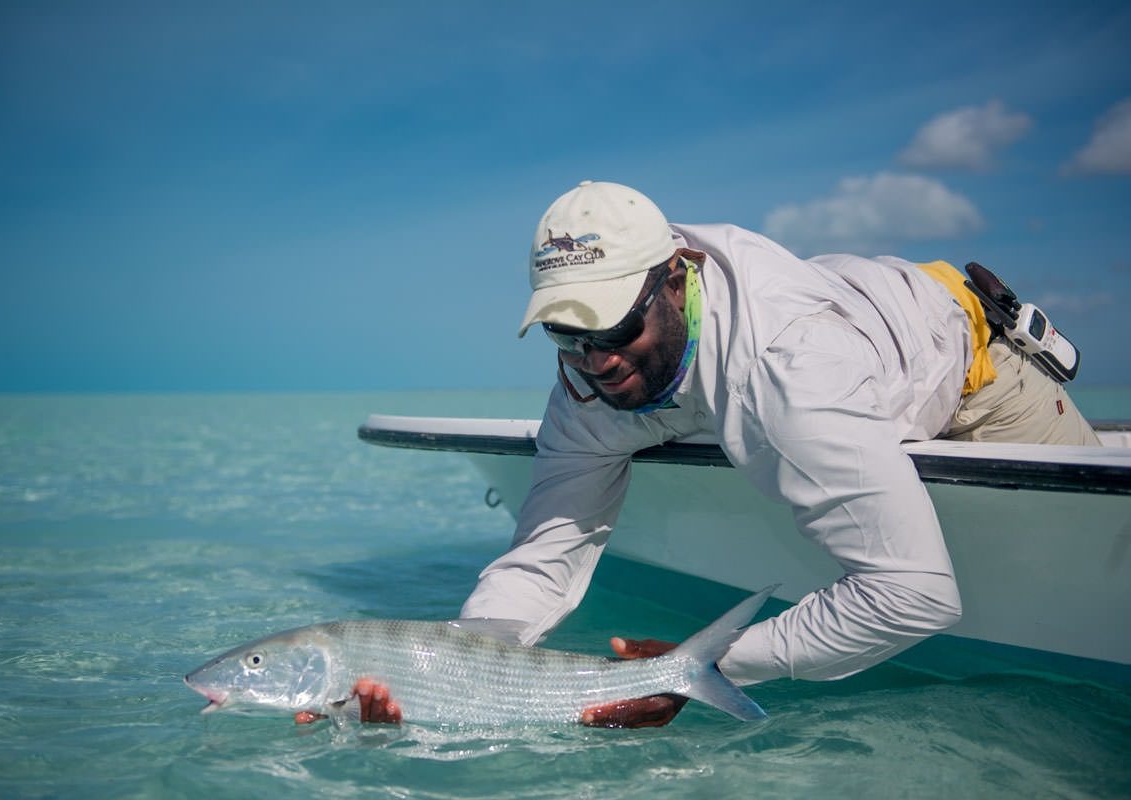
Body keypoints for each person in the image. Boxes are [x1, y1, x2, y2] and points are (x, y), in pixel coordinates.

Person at [349, 180, 1100, 727]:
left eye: (613, 330)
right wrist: (449, 676)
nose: (596, 362)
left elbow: (913, 595)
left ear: (676, 279)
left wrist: (703, 664)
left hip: (974, 371)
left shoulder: (787, 370)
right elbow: (546, 555)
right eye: (566, 336)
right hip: (849, 344)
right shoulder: (585, 380)